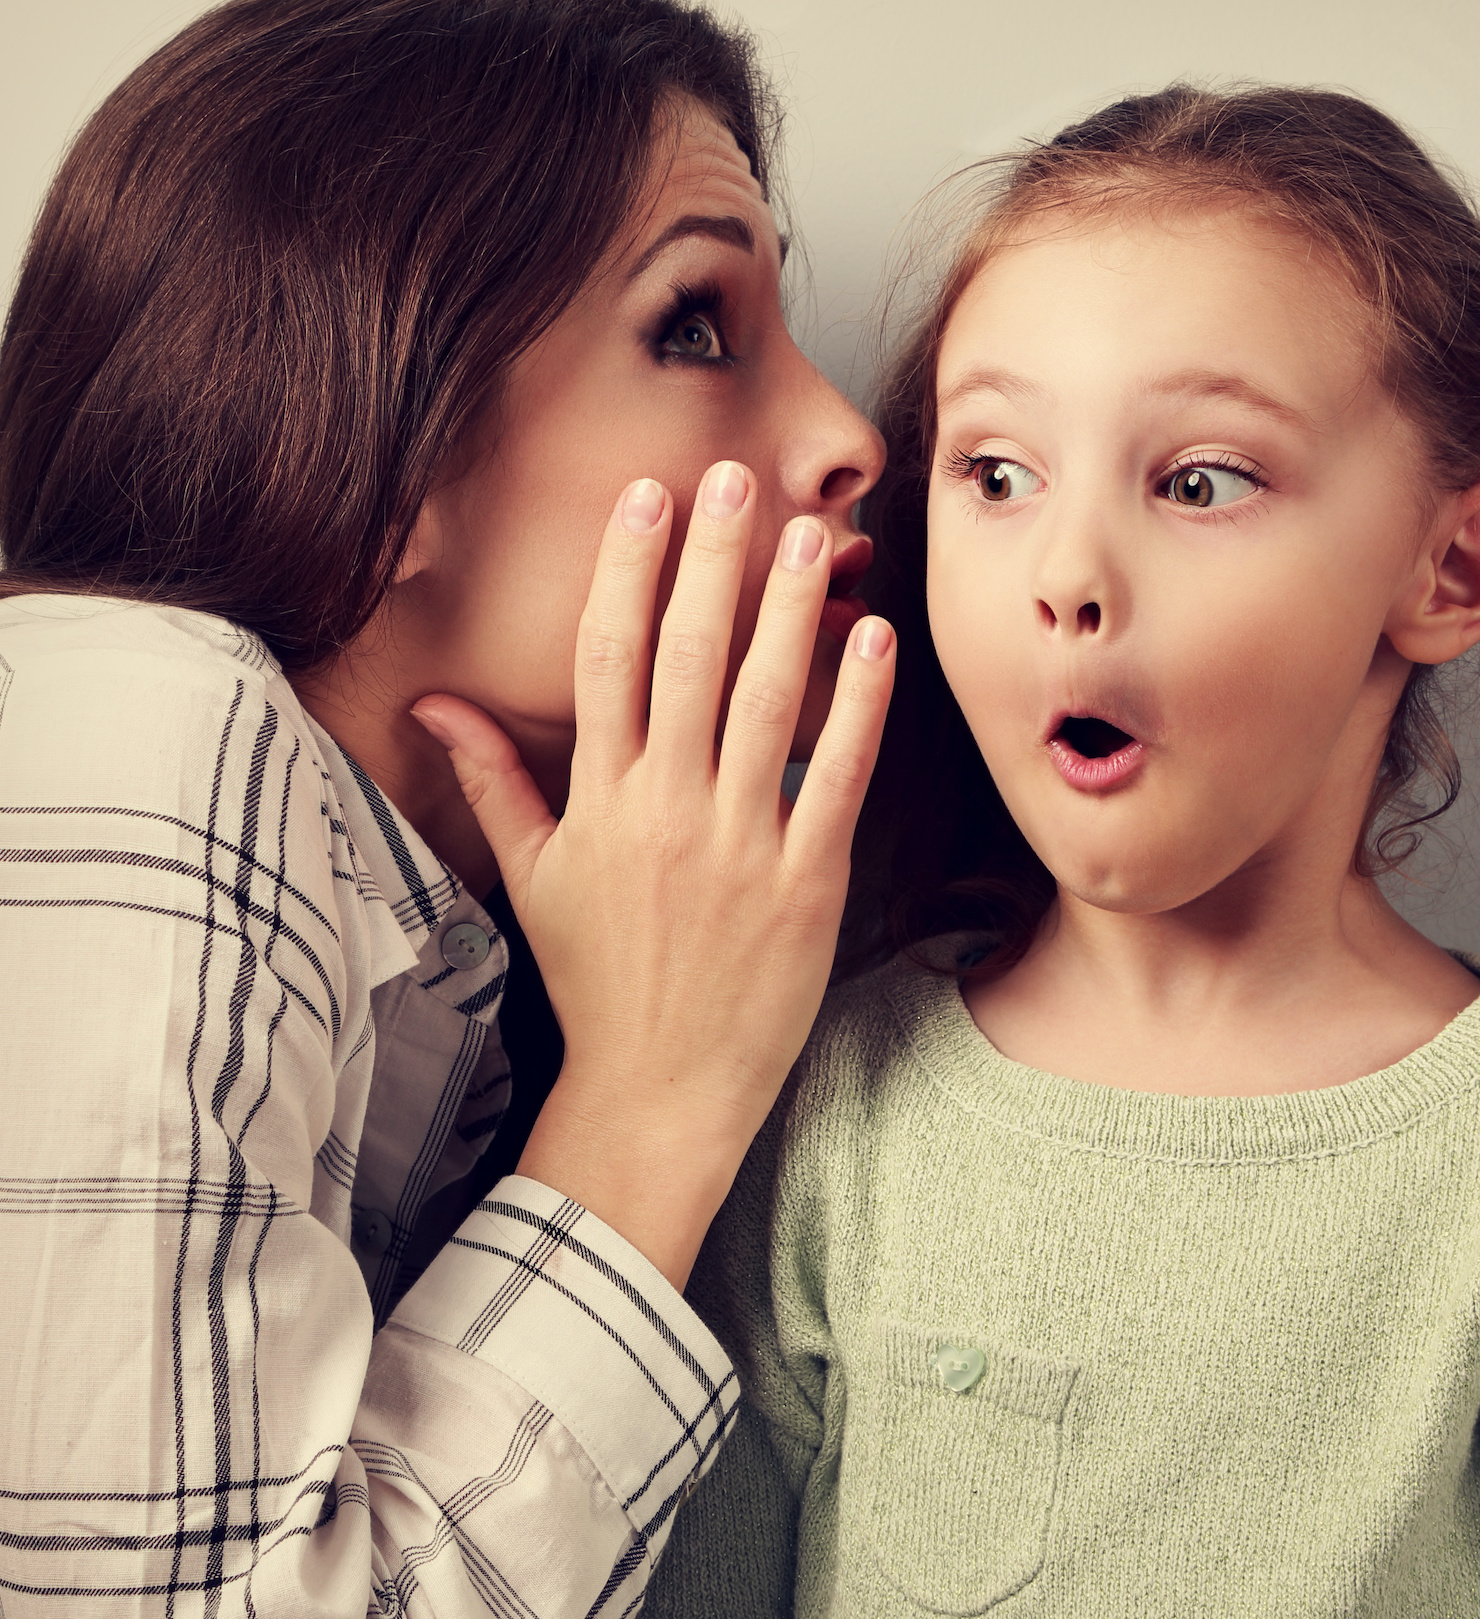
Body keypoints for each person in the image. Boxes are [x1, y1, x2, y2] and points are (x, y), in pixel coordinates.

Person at [644, 85, 1480, 1616]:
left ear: (1453, 567)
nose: (1067, 576)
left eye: (1200, 480)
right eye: (997, 475)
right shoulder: (834, 1109)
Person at [0, 1, 898, 1614]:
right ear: (355, 422)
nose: (851, 441)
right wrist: (651, 1103)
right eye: (695, 325)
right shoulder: (135, 709)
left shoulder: (442, 925)